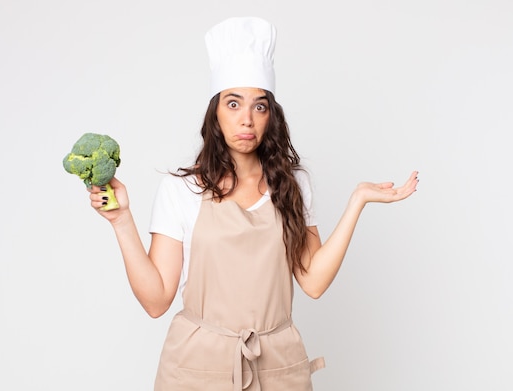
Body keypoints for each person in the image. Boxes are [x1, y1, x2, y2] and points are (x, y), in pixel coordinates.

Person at [87, 16, 418, 391]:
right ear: (215, 112)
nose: (246, 119)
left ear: (271, 115)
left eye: (259, 107)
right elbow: (156, 300)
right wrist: (121, 221)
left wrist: (357, 201)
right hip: (195, 370)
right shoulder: (182, 189)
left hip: (278, 367)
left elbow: (313, 281)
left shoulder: (292, 185)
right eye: (233, 104)